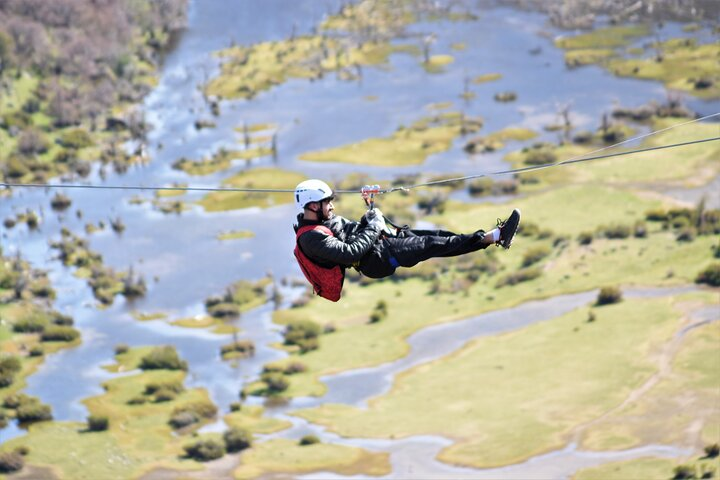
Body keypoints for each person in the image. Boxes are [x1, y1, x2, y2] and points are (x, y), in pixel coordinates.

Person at [293, 179, 520, 300]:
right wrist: (374, 224)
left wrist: (370, 208)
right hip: (376, 259)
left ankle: (492, 237)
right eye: (326, 202)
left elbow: (354, 231)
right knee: (431, 245)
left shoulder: (322, 222)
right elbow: (351, 252)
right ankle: (495, 237)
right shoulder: (311, 238)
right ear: (313, 206)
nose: (331, 206)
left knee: (436, 238)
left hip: (379, 244)